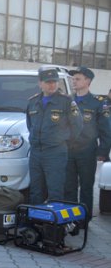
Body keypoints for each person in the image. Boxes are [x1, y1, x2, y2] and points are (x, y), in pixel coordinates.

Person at [26, 67, 82, 205]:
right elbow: (30, 125)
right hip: (36, 152)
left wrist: (63, 142)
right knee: (36, 188)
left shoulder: (66, 102)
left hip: (55, 152)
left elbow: (77, 125)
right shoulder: (32, 102)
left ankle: (53, 224)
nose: (52, 85)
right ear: (40, 83)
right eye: (48, 82)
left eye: (54, 82)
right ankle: (36, 221)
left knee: (55, 189)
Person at [63, 67, 111, 216]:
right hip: (68, 151)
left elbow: (106, 130)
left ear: (88, 81)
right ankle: (70, 217)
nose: (73, 81)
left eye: (77, 79)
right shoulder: (66, 100)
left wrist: (103, 152)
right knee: (69, 187)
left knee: (86, 187)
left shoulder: (98, 103)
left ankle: (84, 218)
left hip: (87, 152)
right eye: (73, 79)